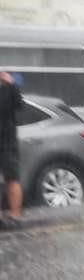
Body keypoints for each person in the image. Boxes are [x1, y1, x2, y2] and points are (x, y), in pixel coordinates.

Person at [0, 71, 24, 228]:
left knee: (12, 179)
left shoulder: (8, 89)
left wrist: (12, 83)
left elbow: (20, 105)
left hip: (7, 143)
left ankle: (15, 216)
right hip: (7, 142)